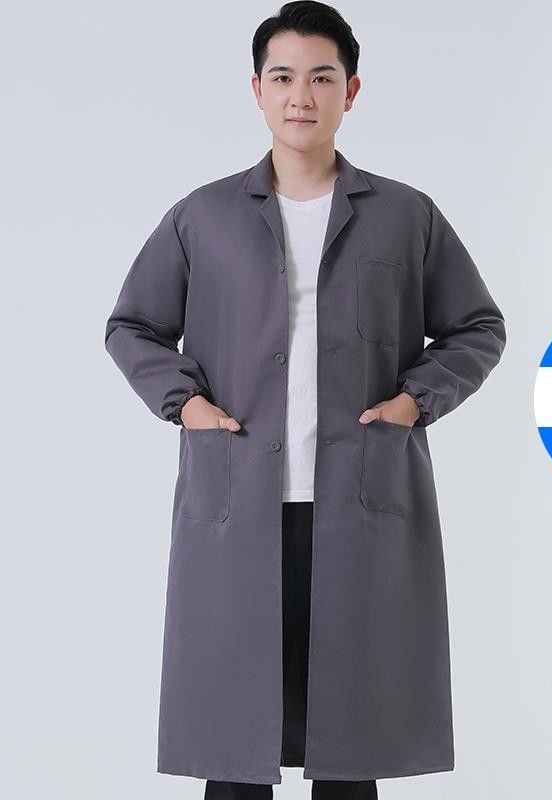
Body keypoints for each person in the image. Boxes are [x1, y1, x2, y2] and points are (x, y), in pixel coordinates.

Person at [104, 2, 506, 798]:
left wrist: (414, 401)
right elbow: (133, 326)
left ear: (350, 91)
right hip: (238, 497)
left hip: (360, 497)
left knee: (349, 744)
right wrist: (185, 404)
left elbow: (477, 326)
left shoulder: (405, 215)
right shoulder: (204, 216)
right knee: (234, 746)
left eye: (321, 78)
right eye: (283, 77)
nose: (301, 96)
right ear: (257, 89)